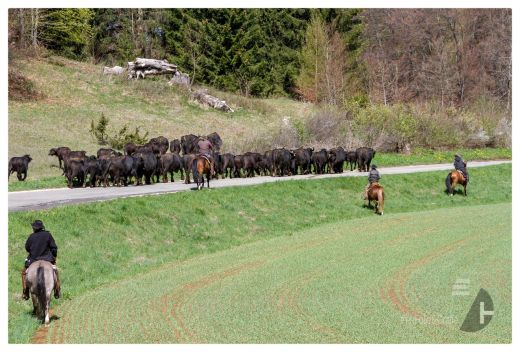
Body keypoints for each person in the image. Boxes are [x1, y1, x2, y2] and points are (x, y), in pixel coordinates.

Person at [21, 220, 61, 300]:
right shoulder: (48, 234)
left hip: (33, 259)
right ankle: (57, 289)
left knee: (24, 272)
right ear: (42, 227)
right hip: (47, 258)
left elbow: (27, 248)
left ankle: (25, 292)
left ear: (34, 228)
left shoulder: (31, 236)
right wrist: (53, 256)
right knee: (55, 270)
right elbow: (54, 247)